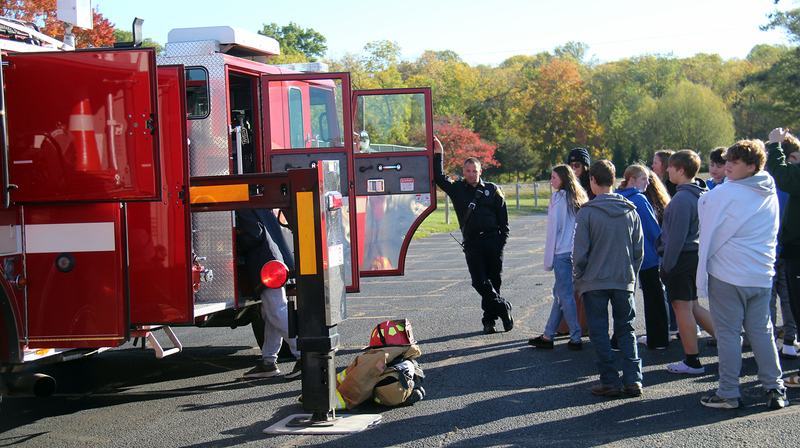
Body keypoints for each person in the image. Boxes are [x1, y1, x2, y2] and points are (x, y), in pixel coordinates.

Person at [696, 139, 787, 410]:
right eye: (728, 161)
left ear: (752, 166)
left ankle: (728, 392)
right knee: (762, 333)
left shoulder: (726, 193)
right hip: (761, 274)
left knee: (728, 335)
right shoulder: (769, 188)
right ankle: (774, 387)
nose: (728, 166)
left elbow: (705, 209)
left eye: (735, 162)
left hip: (728, 275)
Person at [572, 160, 644, 398]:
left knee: (599, 332)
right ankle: (633, 379)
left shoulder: (587, 212)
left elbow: (579, 253)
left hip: (594, 280)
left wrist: (578, 277)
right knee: (627, 329)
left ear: (592, 180)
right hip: (623, 278)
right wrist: (631, 275)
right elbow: (638, 251)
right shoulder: (630, 211)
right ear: (613, 180)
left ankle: (610, 380)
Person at [433, 137, 513, 334]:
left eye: (474, 171)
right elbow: (439, 177)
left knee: (494, 281)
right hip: (473, 242)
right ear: (464, 171)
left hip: (493, 240)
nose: (471, 174)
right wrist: (438, 153)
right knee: (479, 282)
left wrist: (501, 240)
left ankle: (489, 321)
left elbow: (503, 218)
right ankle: (503, 308)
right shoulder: (457, 189)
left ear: (480, 171)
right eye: (468, 171)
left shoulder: (492, 190)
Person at [656, 150, 715, 374]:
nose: (668, 170)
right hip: (694, 256)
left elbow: (676, 238)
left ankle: (692, 361)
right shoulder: (701, 194)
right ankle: (729, 342)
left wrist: (667, 266)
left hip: (681, 259)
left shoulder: (682, 198)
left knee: (682, 309)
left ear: (681, 170)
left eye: (671, 167)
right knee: (694, 307)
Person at [237, 209, 302, 379]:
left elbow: (254, 233)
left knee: (276, 311)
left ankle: (303, 355)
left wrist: (234, 245)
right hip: (276, 260)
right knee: (270, 313)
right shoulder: (262, 205)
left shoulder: (243, 207)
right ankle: (268, 361)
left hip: (265, 264)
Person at [528, 165, 588, 350]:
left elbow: (552, 231)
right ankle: (548, 335)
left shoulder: (557, 198)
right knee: (560, 294)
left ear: (563, 179)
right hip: (578, 253)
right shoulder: (579, 197)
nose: (551, 181)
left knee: (566, 295)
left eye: (554, 177)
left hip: (562, 253)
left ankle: (575, 337)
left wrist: (548, 262)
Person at [617, 165, 669, 350]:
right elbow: (652, 228)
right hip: (647, 255)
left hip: (624, 256)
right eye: (644, 179)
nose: (648, 182)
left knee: (623, 299)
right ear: (631, 180)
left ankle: (619, 339)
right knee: (654, 297)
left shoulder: (617, 197)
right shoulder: (639, 199)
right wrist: (662, 246)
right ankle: (659, 339)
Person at [766, 127, 800, 387]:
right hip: (789, 248)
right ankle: (789, 341)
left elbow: (780, 174)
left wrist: (775, 145)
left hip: (792, 249)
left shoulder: (788, 174)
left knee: (790, 303)